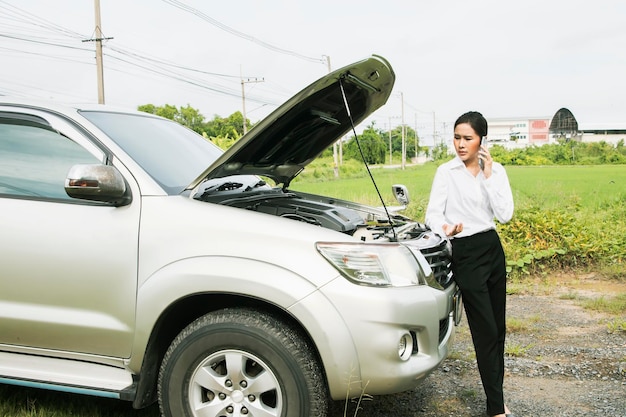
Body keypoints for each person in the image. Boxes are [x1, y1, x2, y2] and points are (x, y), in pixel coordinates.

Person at [425, 111, 515, 417]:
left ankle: (496, 399)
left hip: (492, 249)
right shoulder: (446, 172)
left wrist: (489, 177)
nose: (460, 145)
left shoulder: (497, 171)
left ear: (482, 140)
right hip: (465, 253)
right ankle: (496, 409)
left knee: (498, 330)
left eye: (468, 138)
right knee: (485, 330)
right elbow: (432, 216)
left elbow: (504, 215)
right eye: (456, 137)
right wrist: (446, 229)